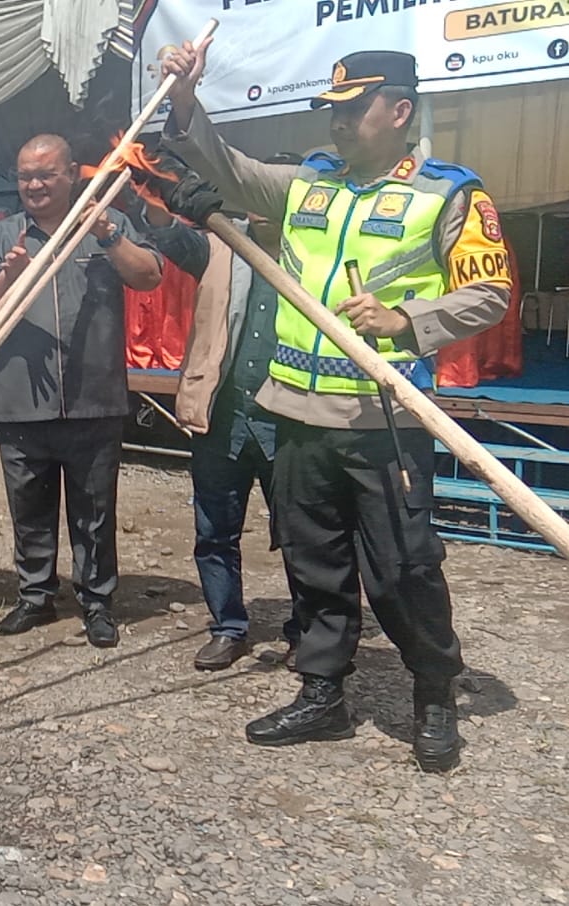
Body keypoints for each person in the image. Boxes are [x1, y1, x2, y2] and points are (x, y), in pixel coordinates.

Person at [161, 46, 511, 771]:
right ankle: (321, 691)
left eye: (353, 109)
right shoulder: (307, 182)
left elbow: (488, 293)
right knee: (312, 563)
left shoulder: (449, 194)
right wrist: (186, 101)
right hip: (295, 415)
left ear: (398, 111)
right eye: (333, 110)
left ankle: (434, 693)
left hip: (381, 421)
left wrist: (408, 319)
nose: (340, 122)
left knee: (403, 569)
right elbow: (227, 170)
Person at [0, 134, 163, 647]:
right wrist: (8, 277)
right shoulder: (1, 235)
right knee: (28, 505)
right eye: (25, 176)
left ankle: (97, 602)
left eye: (45, 174)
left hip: (92, 395)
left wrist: (108, 235)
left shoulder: (105, 222)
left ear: (71, 173)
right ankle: (34, 595)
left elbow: (149, 277)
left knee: (95, 508)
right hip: (19, 396)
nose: (33, 184)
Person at [150, 171, 305, 671]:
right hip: (223, 415)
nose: (261, 205)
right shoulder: (220, 244)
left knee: (303, 535)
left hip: (292, 420)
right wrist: (152, 201)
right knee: (215, 530)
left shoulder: (312, 256)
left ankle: (307, 631)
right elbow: (173, 240)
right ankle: (228, 628)